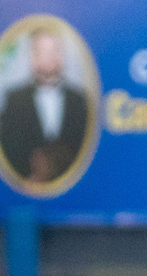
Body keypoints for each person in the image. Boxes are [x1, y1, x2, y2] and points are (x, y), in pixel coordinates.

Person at [0, 28, 88, 183]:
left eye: (55, 50)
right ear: (32, 56)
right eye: (43, 51)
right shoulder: (14, 99)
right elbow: (9, 148)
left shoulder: (79, 100)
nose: (50, 57)